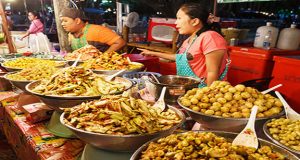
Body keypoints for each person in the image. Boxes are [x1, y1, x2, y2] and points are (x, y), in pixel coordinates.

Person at [138, 3, 230, 87]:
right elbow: (181, 58)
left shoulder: (210, 37)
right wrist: (153, 54)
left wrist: (208, 96)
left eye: (179, 18)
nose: (175, 22)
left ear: (194, 21)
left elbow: (212, 72)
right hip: (187, 90)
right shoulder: (189, 40)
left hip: (203, 93)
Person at [59, 8, 126, 53]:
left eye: (65, 21)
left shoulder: (96, 30)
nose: (62, 24)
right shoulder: (70, 35)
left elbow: (120, 42)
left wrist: (104, 57)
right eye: (61, 21)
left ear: (77, 21)